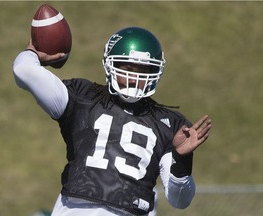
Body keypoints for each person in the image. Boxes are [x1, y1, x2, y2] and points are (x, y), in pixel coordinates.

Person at [13, 26, 211, 216]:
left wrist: (182, 160)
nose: (134, 78)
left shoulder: (169, 124)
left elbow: (180, 200)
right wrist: (34, 52)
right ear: (110, 64)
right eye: (127, 67)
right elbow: (24, 70)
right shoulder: (82, 97)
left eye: (143, 70)